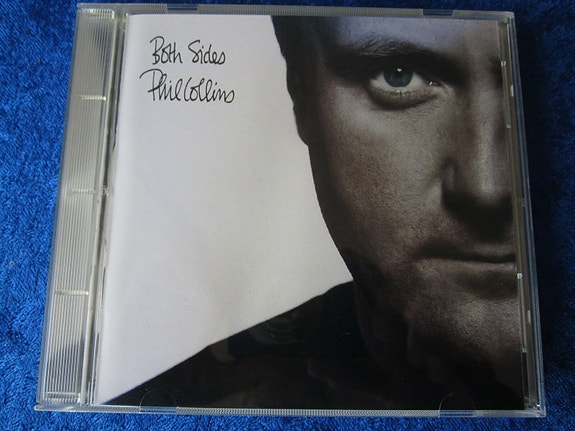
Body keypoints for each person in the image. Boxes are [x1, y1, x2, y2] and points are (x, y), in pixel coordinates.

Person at [111, 15, 523, 410]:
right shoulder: (177, 394)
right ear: (301, 94)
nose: (486, 187)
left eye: (515, 91)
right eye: (398, 76)